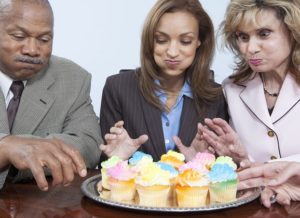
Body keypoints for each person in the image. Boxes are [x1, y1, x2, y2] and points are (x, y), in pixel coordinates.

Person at [99, 0, 228, 161]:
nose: (172, 52)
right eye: (161, 40)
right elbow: (105, 164)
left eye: (185, 41)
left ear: (199, 41)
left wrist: (203, 163)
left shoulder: (216, 97)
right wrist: (117, 159)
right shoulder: (117, 88)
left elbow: (222, 169)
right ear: (150, 41)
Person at [0, 0, 101, 191]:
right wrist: (5, 148)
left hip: (35, 204)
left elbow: (89, 143)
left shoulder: (73, 78)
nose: (32, 50)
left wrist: (31, 151)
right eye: (19, 36)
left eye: (44, 39)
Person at [198, 0, 300, 164]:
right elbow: (237, 164)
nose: (251, 48)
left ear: (293, 31)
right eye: (243, 37)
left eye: (264, 34)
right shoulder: (230, 89)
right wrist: (240, 160)